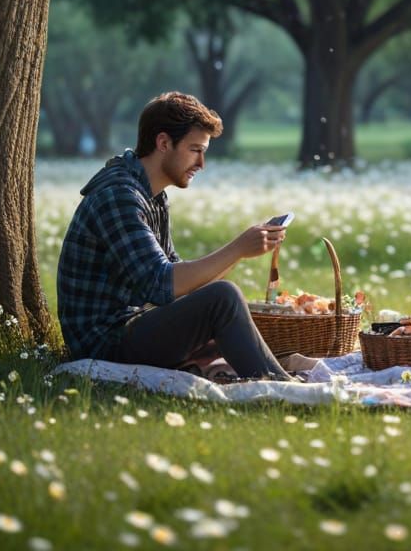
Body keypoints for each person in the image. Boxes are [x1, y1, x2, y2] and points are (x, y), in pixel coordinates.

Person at [57, 91, 296, 381]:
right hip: (106, 343)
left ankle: (280, 370)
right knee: (224, 297)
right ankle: (282, 388)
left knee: (228, 308)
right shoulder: (118, 196)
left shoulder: (152, 196)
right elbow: (162, 285)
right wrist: (237, 249)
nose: (202, 163)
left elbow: (181, 284)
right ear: (163, 143)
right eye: (195, 149)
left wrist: (243, 251)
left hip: (131, 326)